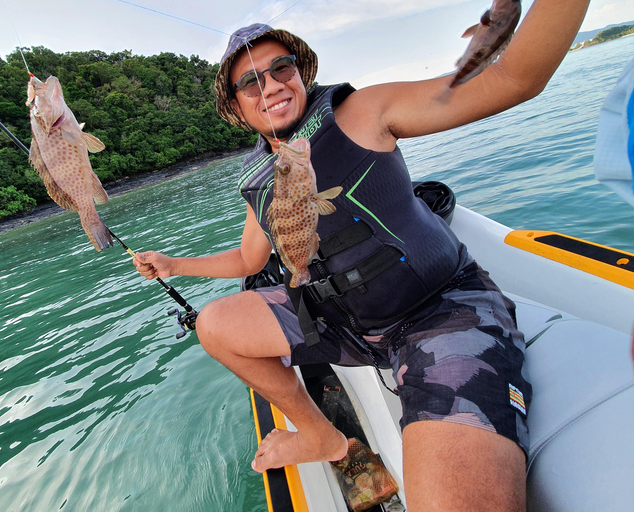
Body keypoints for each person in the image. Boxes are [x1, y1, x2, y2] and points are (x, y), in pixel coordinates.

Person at [134, 1, 590, 510]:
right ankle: (322, 438)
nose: (271, 84)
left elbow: (514, 79)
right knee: (214, 326)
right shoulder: (261, 179)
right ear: (238, 107)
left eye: (280, 68)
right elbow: (246, 260)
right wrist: (174, 265)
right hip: (346, 323)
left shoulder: (363, 111)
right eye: (250, 82)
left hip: (439, 311)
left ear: (301, 73)